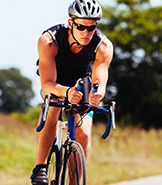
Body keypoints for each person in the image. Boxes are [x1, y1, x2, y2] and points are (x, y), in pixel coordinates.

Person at [30, 0, 113, 184]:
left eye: (91, 28)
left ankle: (75, 180)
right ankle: (40, 167)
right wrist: (67, 92)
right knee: (53, 105)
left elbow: (100, 79)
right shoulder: (49, 40)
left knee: (83, 130)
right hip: (52, 79)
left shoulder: (103, 46)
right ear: (70, 23)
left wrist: (97, 93)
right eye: (81, 27)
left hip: (79, 80)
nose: (86, 33)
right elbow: (48, 83)